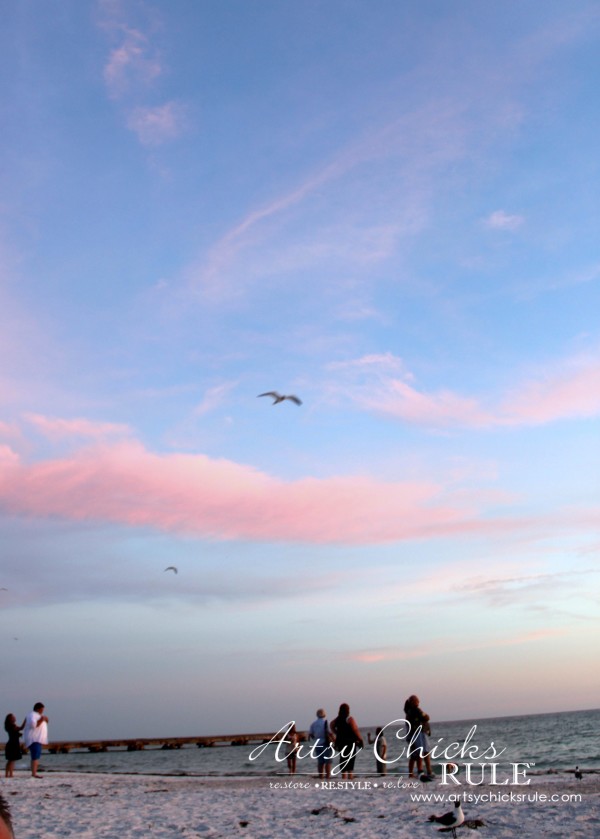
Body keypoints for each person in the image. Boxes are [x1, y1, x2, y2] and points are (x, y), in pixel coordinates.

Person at [330, 703, 363, 780]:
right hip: (350, 742)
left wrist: (337, 733)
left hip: (341, 742)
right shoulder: (349, 719)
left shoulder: (337, 719)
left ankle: (344, 779)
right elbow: (355, 730)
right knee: (350, 761)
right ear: (348, 710)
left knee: (343, 760)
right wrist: (360, 739)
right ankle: (350, 778)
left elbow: (331, 725)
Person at [404, 694, 434, 779]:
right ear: (414, 702)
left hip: (413, 735)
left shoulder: (409, 713)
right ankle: (424, 771)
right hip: (419, 733)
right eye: (417, 700)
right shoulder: (416, 710)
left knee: (414, 755)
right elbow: (426, 717)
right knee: (423, 752)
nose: (418, 702)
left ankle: (413, 773)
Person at [22, 703, 48, 778]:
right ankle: (34, 773)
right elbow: (34, 725)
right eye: (41, 710)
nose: (42, 711)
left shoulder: (37, 716)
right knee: (35, 756)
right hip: (34, 739)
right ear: (37, 709)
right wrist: (41, 720)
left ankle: (34, 772)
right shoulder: (32, 715)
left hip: (38, 739)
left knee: (35, 756)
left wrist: (45, 719)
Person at [308, 708, 333, 779]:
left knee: (320, 762)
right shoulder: (326, 722)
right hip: (325, 743)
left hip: (317, 743)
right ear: (324, 714)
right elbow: (330, 733)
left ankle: (320, 777)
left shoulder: (313, 724)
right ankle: (327, 777)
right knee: (328, 761)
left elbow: (311, 734)